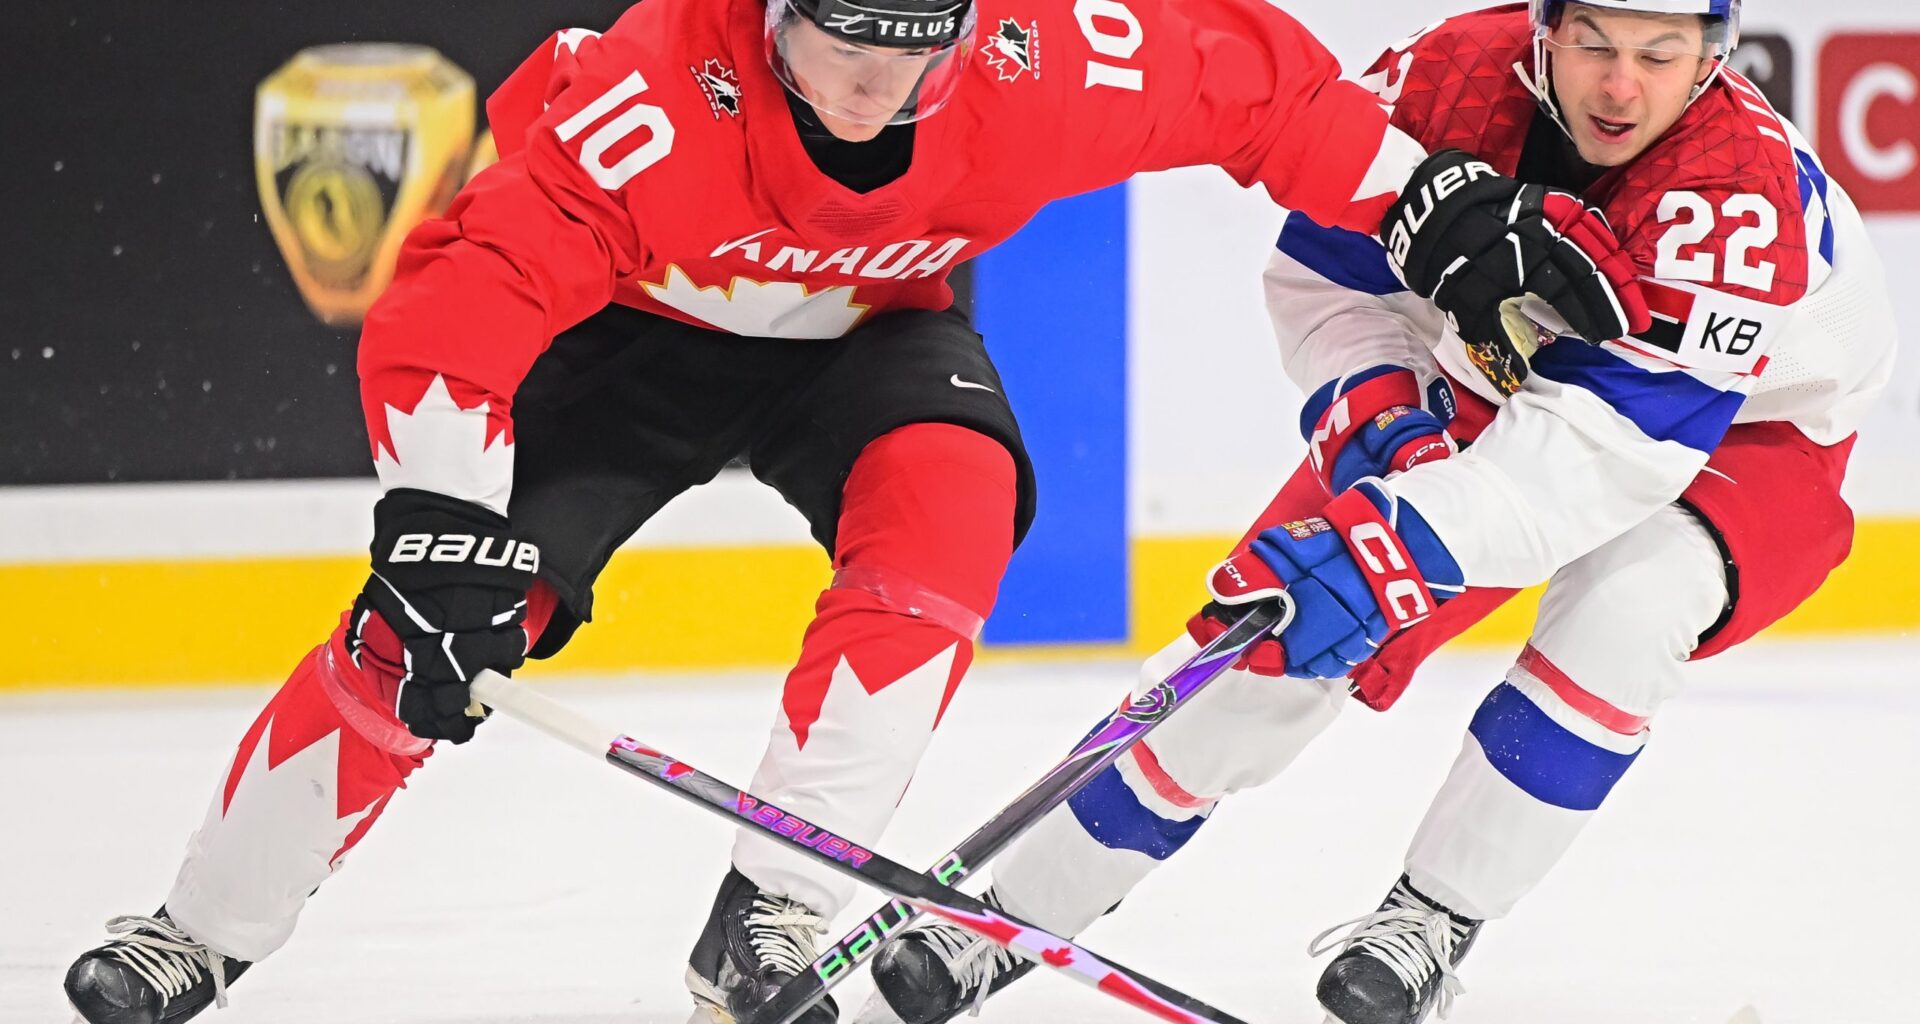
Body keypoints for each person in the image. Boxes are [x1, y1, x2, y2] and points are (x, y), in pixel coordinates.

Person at [60, 0, 1643, 1022]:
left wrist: (1428, 202)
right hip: (636, 343)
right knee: (423, 640)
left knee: (947, 528)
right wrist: (432, 516)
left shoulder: (1036, 64)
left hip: (879, 344)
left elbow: (1258, 92)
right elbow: (467, 294)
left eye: (921, 47)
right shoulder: (644, 97)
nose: (884, 86)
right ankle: (196, 929)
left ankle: (775, 915)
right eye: (842, 49)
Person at [859, 2, 1897, 1023]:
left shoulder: (1735, 200)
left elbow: (1601, 467)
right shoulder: (1449, 76)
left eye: (1661, 53)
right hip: (1512, 367)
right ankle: (1005, 914)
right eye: (1594, 43)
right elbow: (1326, 279)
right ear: (1544, 24)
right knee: (1276, 633)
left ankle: (1434, 918)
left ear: (1715, 57)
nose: (1621, 85)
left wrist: (1395, 534)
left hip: (1755, 429)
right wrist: (1390, 430)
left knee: (1629, 604)